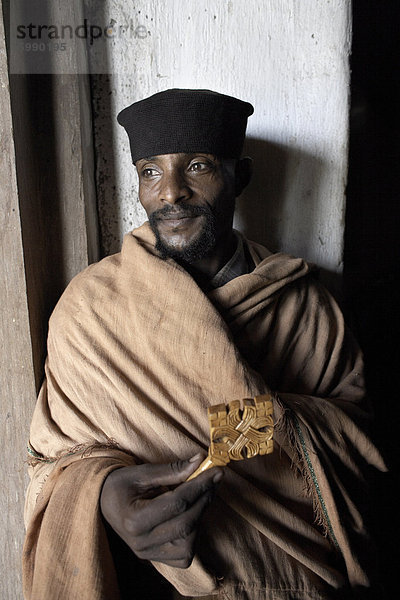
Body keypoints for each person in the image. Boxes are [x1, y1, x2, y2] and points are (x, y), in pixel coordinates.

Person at [22, 89, 385, 600]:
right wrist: (102, 496)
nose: (171, 192)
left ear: (241, 176)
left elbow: (357, 445)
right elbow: (50, 461)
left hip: (289, 580)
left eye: (197, 166)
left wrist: (242, 426)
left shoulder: (306, 306)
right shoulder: (90, 309)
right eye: (151, 171)